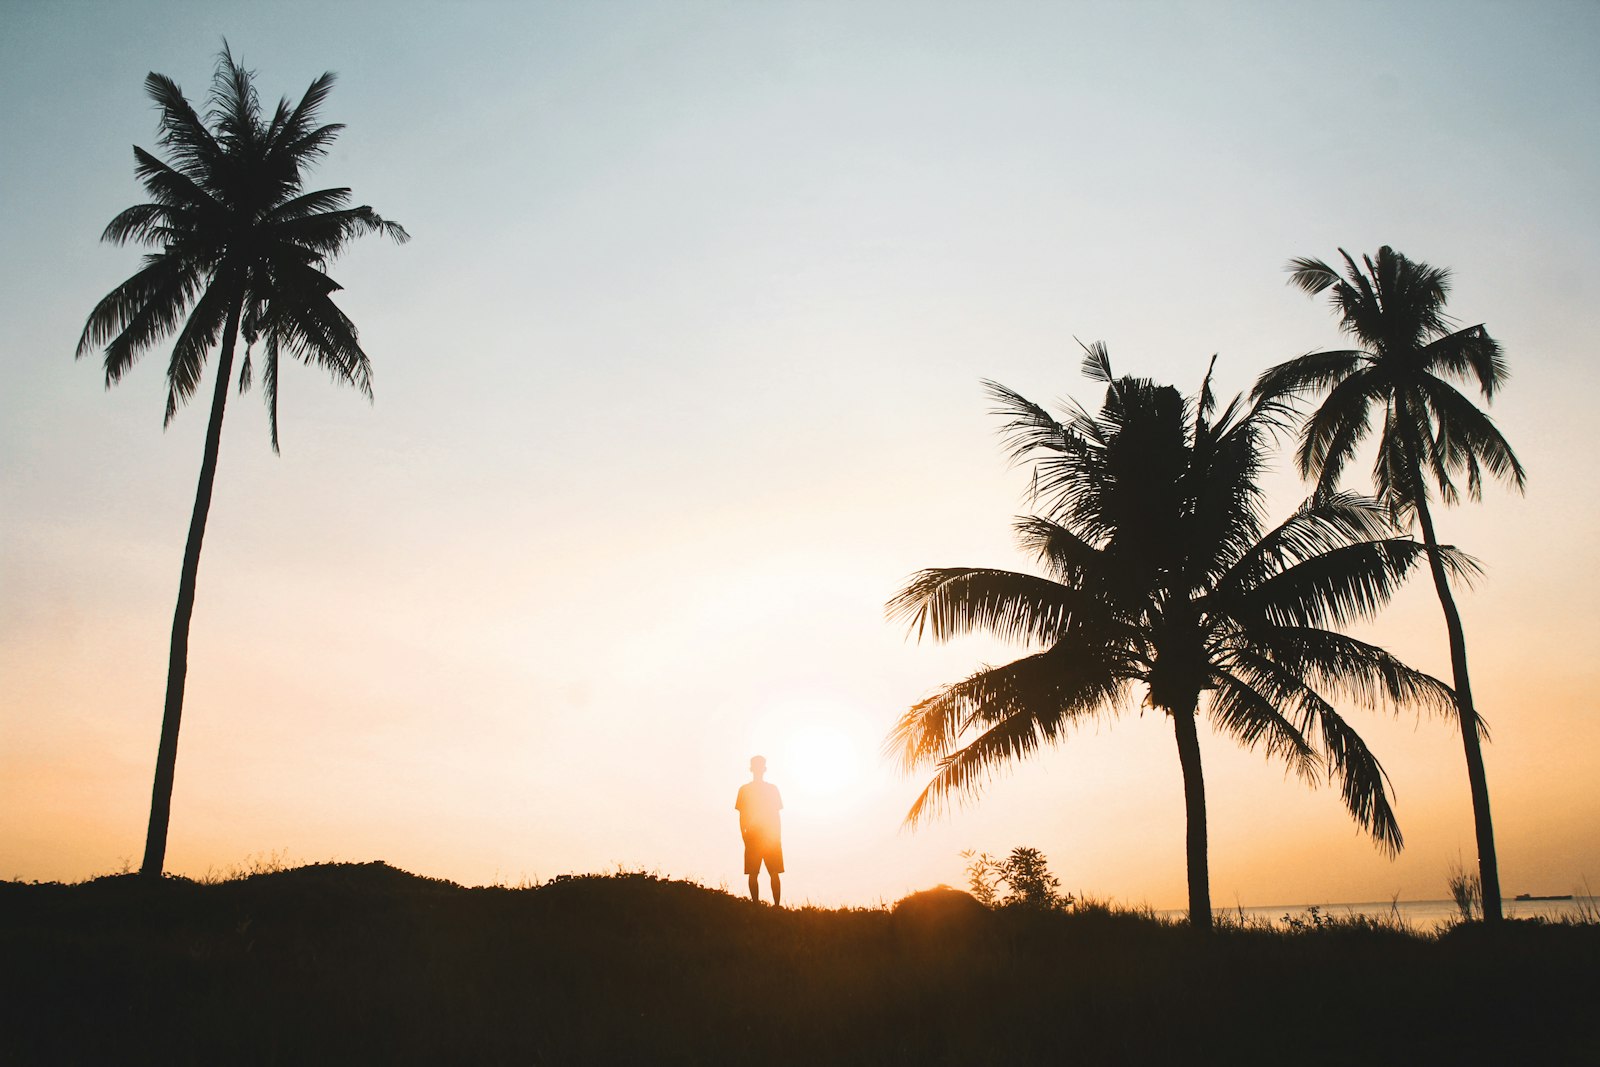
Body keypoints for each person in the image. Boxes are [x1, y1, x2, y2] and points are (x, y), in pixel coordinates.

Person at [735, 755, 783, 906]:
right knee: (767, 873)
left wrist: (744, 834)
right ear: (764, 769)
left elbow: (742, 817)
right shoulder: (770, 789)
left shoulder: (745, 790)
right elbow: (776, 816)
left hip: (760, 836)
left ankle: (757, 905)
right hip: (765, 836)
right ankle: (774, 906)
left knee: (757, 873)